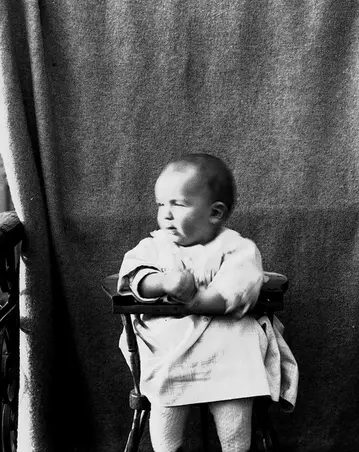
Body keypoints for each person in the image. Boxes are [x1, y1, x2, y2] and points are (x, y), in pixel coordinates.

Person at [117, 153, 298, 452]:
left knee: (236, 401)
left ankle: (235, 446)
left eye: (178, 204)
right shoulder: (154, 246)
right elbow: (133, 277)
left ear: (215, 213)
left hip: (227, 351)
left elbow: (236, 290)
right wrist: (161, 282)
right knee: (164, 393)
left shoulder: (238, 249)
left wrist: (196, 299)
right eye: (161, 204)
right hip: (170, 346)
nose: (166, 214)